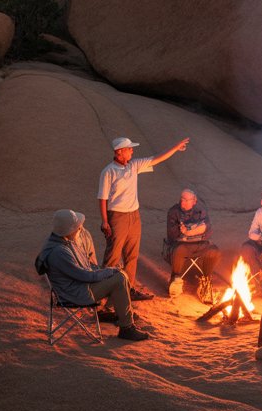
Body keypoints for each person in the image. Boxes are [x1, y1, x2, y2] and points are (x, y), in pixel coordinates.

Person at [97, 134, 190, 299]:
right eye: (129, 149)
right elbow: (102, 198)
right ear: (120, 152)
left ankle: (129, 289)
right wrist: (105, 221)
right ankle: (105, 292)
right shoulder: (108, 171)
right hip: (117, 216)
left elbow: (156, 159)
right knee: (113, 255)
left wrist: (175, 148)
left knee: (132, 255)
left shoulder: (133, 165)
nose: (132, 151)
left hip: (134, 215)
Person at [38, 209, 149, 342]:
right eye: (78, 227)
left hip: (79, 286)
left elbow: (86, 268)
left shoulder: (63, 242)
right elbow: (86, 276)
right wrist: (109, 272)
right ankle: (126, 327)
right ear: (69, 230)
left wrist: (108, 271)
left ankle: (124, 318)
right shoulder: (60, 252)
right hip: (76, 293)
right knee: (119, 278)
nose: (80, 229)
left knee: (119, 275)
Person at [165, 187, 222, 297]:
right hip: (183, 245)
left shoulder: (200, 210)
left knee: (214, 251)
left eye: (187, 200)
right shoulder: (174, 212)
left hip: (200, 244)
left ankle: (206, 281)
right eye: (182, 199)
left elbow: (208, 230)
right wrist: (194, 230)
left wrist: (189, 232)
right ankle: (176, 280)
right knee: (178, 250)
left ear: (194, 201)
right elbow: (172, 234)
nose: (184, 202)